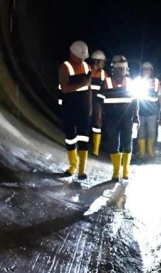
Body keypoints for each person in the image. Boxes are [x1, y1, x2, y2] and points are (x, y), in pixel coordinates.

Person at [96, 56, 138, 181]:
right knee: (114, 145)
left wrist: (136, 117)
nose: (123, 70)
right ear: (114, 68)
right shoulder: (107, 82)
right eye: (120, 68)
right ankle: (116, 172)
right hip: (111, 119)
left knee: (127, 144)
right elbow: (99, 102)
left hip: (127, 118)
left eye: (124, 68)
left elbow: (135, 102)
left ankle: (125, 170)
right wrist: (98, 116)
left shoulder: (130, 82)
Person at [58, 41, 92, 179]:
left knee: (83, 137)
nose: (81, 60)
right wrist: (82, 84)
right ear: (72, 54)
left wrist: (90, 105)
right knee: (71, 137)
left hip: (83, 107)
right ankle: (73, 166)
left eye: (83, 57)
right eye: (79, 57)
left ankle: (82, 171)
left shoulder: (86, 66)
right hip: (69, 107)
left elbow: (89, 88)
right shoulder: (64, 67)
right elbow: (65, 89)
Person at [134, 61, 161, 160]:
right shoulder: (138, 81)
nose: (146, 71)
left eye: (148, 69)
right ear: (142, 70)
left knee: (152, 131)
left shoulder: (156, 82)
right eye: (144, 69)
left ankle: (150, 149)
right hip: (140, 112)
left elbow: (160, 97)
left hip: (152, 112)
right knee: (140, 132)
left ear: (151, 71)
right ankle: (141, 151)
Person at [88, 50, 107, 156]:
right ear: (96, 61)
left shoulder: (104, 74)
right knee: (84, 123)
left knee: (97, 123)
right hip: (86, 100)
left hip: (98, 102)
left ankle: (96, 150)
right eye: (102, 61)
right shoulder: (87, 70)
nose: (103, 64)